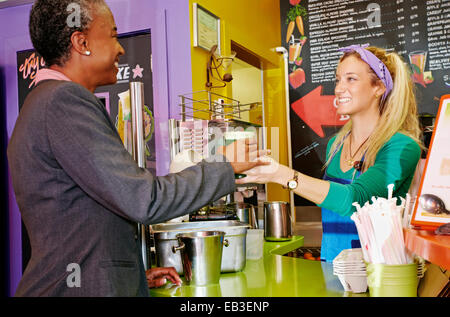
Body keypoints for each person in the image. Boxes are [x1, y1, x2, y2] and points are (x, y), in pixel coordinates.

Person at [7, 0, 265, 296]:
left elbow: (77, 222)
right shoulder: (63, 102)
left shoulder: (45, 102)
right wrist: (225, 166)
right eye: (114, 35)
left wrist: (132, 276)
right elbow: (144, 199)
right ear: (81, 43)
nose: (121, 49)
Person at [239, 45, 423, 262]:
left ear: (379, 88)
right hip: (332, 267)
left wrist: (280, 174)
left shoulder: (402, 146)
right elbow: (329, 199)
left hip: (379, 273)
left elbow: (355, 199)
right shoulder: (336, 144)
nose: (338, 88)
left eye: (351, 79)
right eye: (338, 80)